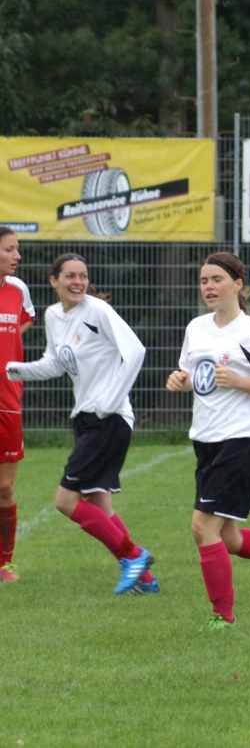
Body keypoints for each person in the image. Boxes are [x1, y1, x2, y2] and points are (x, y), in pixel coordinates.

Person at [5, 253, 157, 595]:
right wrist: (13, 369)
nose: (78, 282)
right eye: (70, 276)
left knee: (65, 501)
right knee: (99, 504)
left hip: (109, 419)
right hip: (85, 418)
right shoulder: (53, 315)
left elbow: (135, 351)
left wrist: (110, 401)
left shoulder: (98, 310)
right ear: (54, 281)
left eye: (83, 276)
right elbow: (55, 364)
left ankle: (134, 557)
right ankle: (145, 581)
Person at [166, 252, 250, 628]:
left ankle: (221, 618)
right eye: (204, 280)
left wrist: (239, 382)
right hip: (205, 441)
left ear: (238, 285)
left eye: (217, 279)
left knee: (202, 528)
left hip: (240, 442)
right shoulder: (196, 328)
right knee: (231, 539)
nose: (209, 286)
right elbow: (195, 376)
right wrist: (180, 380)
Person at [0, 228, 34, 582]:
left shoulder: (18, 290)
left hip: (8, 401)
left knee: (5, 488)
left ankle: (4, 563)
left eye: (17, 249)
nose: (17, 256)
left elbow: (18, 329)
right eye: (10, 249)